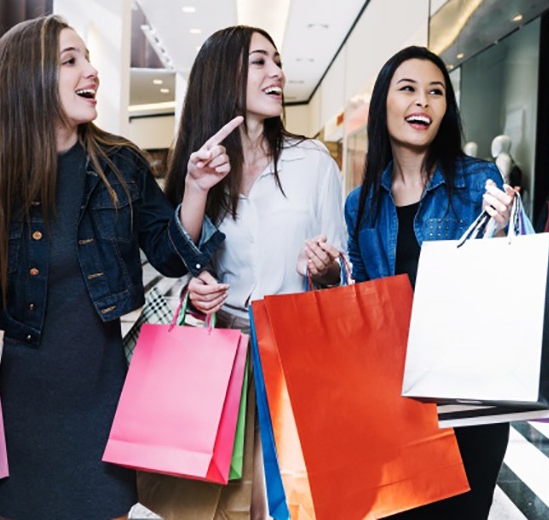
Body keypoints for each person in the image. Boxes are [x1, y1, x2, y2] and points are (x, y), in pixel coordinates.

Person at [0, 15, 234, 519]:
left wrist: (196, 188)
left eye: (89, 58)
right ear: (28, 80)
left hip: (101, 391)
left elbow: (168, 252)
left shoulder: (121, 162)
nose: (91, 72)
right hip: (18, 401)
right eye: (70, 61)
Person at [161, 25, 347, 518]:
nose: (278, 73)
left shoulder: (312, 162)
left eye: (277, 61)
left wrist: (326, 268)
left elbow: (343, 267)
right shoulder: (201, 165)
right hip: (223, 355)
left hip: (297, 351)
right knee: (223, 502)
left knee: (288, 496)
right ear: (225, 76)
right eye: (260, 62)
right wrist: (197, 190)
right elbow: (178, 260)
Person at [344, 46, 514, 519]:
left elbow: (500, 286)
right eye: (409, 89)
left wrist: (500, 233)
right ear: (383, 104)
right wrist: (324, 275)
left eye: (436, 92)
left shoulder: (477, 180)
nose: (423, 102)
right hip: (395, 396)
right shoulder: (360, 204)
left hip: (468, 396)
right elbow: (361, 302)